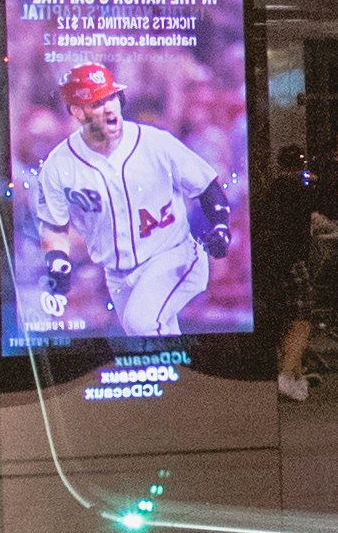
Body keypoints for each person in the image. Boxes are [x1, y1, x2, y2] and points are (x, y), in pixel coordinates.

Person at [18, 55, 235, 339]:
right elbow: (54, 224)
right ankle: (181, 381)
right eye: (96, 103)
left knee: (141, 324)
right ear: (77, 112)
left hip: (172, 257)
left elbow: (207, 186)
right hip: (117, 275)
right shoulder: (61, 164)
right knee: (156, 337)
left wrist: (219, 225)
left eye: (111, 98)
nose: (108, 108)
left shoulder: (154, 142)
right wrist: (57, 259)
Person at [260, 146, 320, 400]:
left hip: (271, 263)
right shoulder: (299, 190)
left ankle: (294, 373)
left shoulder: (271, 191)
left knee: (284, 318)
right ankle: (287, 374)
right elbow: (310, 219)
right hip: (293, 260)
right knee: (301, 317)